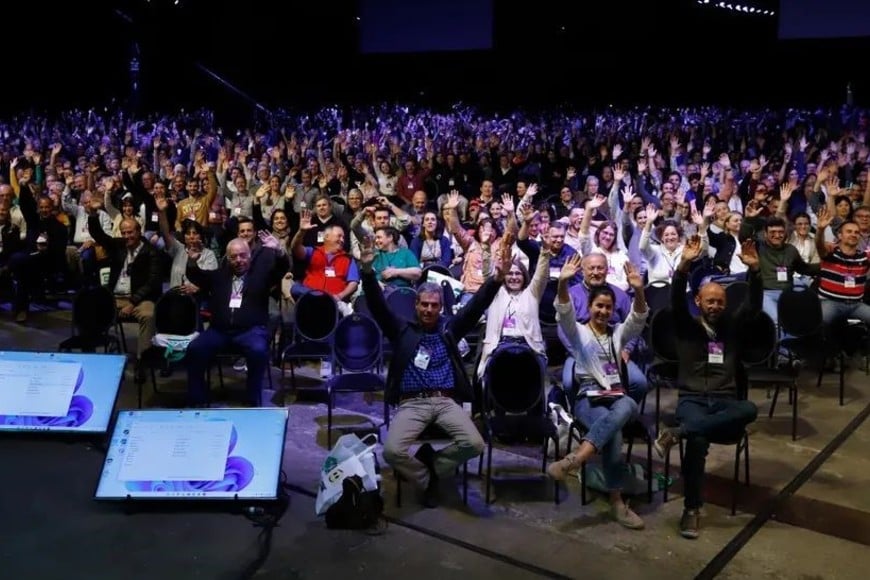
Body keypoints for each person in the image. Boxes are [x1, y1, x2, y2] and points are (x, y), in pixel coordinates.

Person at [358, 237, 513, 508]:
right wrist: (368, 272)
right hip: (412, 403)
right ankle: (427, 478)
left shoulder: (449, 329)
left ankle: (434, 463)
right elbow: (377, 306)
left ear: (440, 307)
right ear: (416, 305)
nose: (429, 309)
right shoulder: (402, 330)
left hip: (445, 402)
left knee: (474, 444)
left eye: (434, 305)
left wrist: (497, 280)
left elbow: (476, 307)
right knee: (392, 452)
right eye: (424, 304)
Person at [653, 234, 761, 540]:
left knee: (749, 408)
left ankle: (677, 433)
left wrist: (754, 272)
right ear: (698, 302)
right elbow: (675, 299)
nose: (715, 305)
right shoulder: (686, 328)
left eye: (720, 302)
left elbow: (752, 308)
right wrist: (684, 265)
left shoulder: (732, 328)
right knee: (698, 440)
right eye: (710, 301)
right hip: (693, 400)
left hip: (726, 401)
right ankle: (691, 510)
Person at [546, 256, 649, 529]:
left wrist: (638, 290)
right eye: (598, 306)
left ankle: (576, 459)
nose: (603, 311)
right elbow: (564, 310)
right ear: (590, 307)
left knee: (626, 404)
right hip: (587, 399)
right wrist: (563, 283)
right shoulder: (579, 333)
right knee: (615, 427)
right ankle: (617, 502)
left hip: (614, 398)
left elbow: (638, 318)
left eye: (608, 307)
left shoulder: (617, 335)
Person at [184, 234, 289, 406]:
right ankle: (197, 399)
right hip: (219, 331)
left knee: (258, 350)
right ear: (228, 258)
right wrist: (192, 260)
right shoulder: (219, 276)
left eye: (242, 255)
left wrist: (279, 250)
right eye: (234, 257)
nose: (239, 260)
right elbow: (196, 275)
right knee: (195, 349)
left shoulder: (261, 275)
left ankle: (251, 398)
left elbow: (283, 267)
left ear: (249, 255)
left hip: (251, 331)